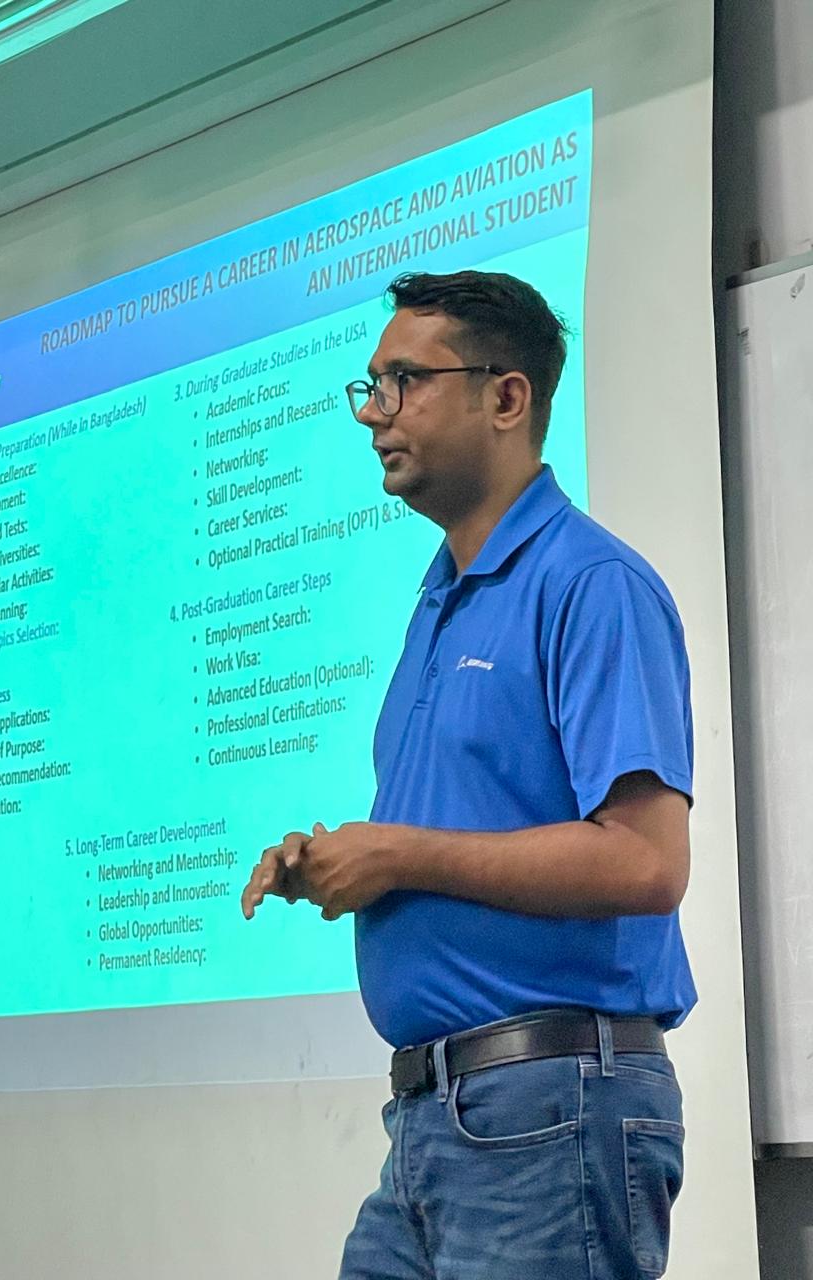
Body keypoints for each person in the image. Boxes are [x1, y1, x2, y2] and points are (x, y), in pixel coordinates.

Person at [241, 269, 695, 1280]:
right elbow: (466, 824)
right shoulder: (437, 604)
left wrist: (399, 855)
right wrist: (339, 862)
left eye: (403, 381)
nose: (374, 413)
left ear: (506, 398)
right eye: (370, 386)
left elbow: (647, 863)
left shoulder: (591, 583)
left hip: (550, 1109)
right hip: (432, 1120)